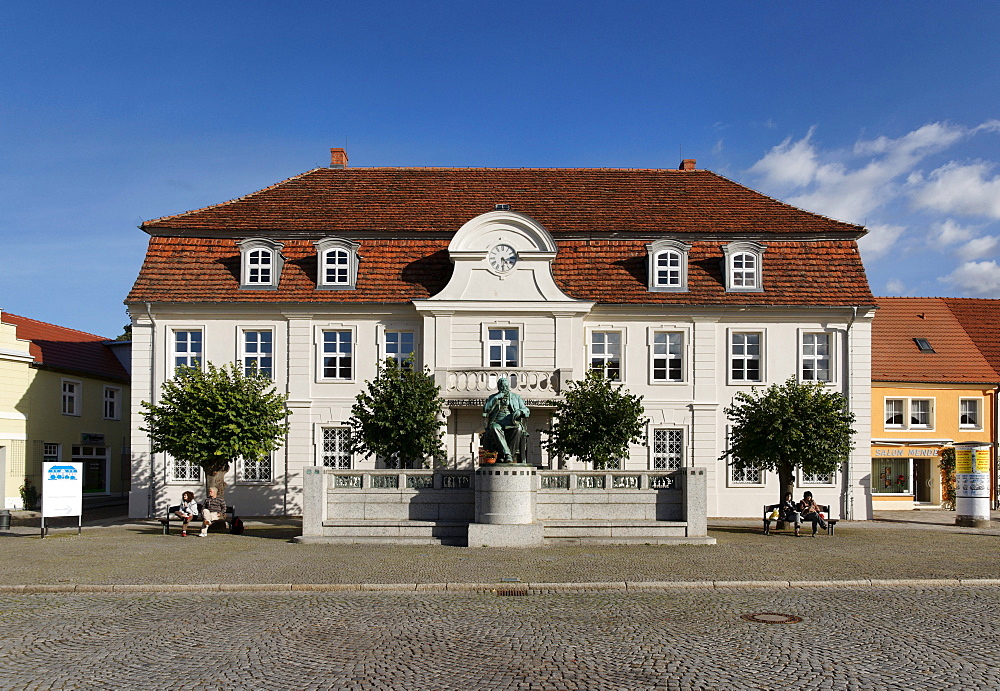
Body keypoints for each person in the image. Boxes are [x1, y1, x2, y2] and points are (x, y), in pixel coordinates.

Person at [482, 377, 530, 463]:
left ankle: (505, 455)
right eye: (502, 386)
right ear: (499, 387)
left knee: (518, 429)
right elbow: (486, 409)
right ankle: (508, 455)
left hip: (511, 421)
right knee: (494, 428)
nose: (505, 388)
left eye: (506, 386)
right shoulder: (492, 397)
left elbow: (526, 410)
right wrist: (496, 398)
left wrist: (520, 411)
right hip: (497, 421)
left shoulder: (516, 397)